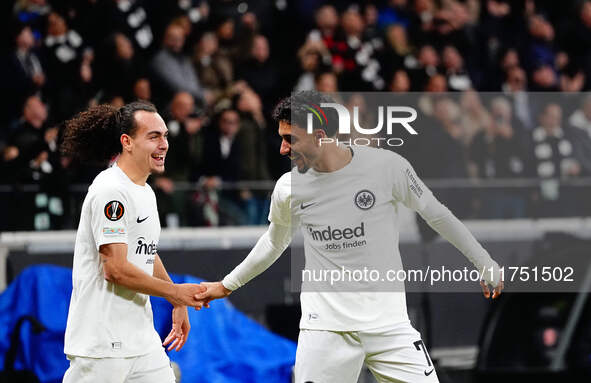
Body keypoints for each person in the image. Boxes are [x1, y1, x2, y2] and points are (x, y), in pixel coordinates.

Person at [195, 91, 504, 382]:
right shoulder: (289, 188)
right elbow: (275, 242)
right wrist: (226, 285)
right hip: (325, 331)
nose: (283, 149)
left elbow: (437, 214)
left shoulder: (386, 167)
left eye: (291, 139)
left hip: (389, 327)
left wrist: (483, 261)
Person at [60, 101, 205, 382]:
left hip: (142, 342)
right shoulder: (111, 191)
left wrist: (176, 299)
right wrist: (174, 294)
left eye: (165, 136)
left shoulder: (145, 191)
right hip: (102, 346)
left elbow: (145, 252)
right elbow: (115, 269)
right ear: (127, 142)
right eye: (153, 137)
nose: (163, 144)